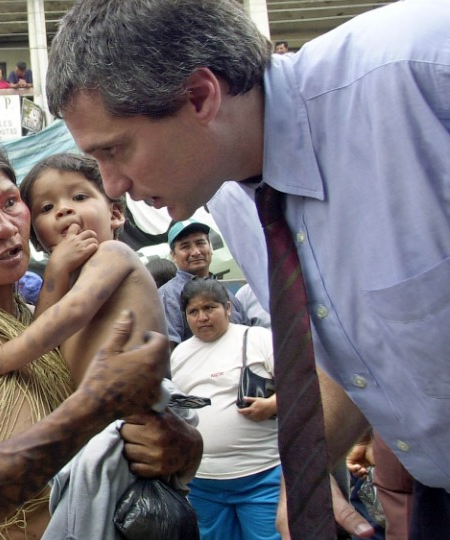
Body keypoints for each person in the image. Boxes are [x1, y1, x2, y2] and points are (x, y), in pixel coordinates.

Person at [45, 0, 450, 537]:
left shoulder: (421, 70)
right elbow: (351, 347)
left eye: (115, 150)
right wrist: (304, 471)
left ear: (199, 96)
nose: (111, 184)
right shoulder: (231, 197)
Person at [0, 137, 202, 539]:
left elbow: (136, 430)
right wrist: (89, 409)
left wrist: (181, 448)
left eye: (10, 203)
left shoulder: (44, 325)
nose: (6, 228)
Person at [0, 153, 165, 383]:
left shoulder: (114, 254)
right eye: (47, 207)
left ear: (115, 214)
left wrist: (1, 356)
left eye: (79, 197)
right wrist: (57, 269)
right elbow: (43, 336)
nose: (64, 210)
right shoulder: (66, 285)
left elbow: (73, 312)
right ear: (37, 239)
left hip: (143, 409)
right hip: (100, 411)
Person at [171, 278, 280, 540]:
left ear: (228, 308)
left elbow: (302, 386)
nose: (202, 317)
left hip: (261, 475)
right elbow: (182, 407)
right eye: (193, 312)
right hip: (203, 482)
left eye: (209, 308)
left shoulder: (258, 339)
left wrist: (273, 404)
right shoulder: (179, 355)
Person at [159, 219, 248, 347]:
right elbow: (169, 352)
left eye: (200, 243)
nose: (195, 252)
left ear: (210, 248)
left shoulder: (228, 294)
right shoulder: (167, 296)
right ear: (173, 255)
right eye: (185, 246)